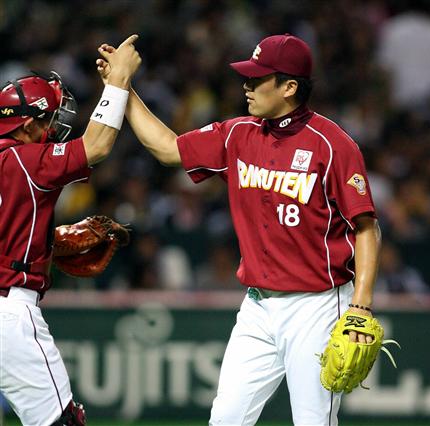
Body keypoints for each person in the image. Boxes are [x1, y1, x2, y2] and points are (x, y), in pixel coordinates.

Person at [98, 33, 381, 426]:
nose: (246, 86)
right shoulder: (238, 133)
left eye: (257, 79)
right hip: (258, 307)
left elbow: (366, 227)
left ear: (289, 87)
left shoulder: (332, 144)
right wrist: (122, 87)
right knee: (226, 418)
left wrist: (360, 305)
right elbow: (168, 149)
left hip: (316, 305)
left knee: (314, 422)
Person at [0, 35, 141, 426]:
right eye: (49, 119)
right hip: (9, 310)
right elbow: (96, 145)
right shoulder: (27, 161)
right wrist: (119, 81)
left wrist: (45, 242)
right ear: (27, 124)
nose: (55, 126)